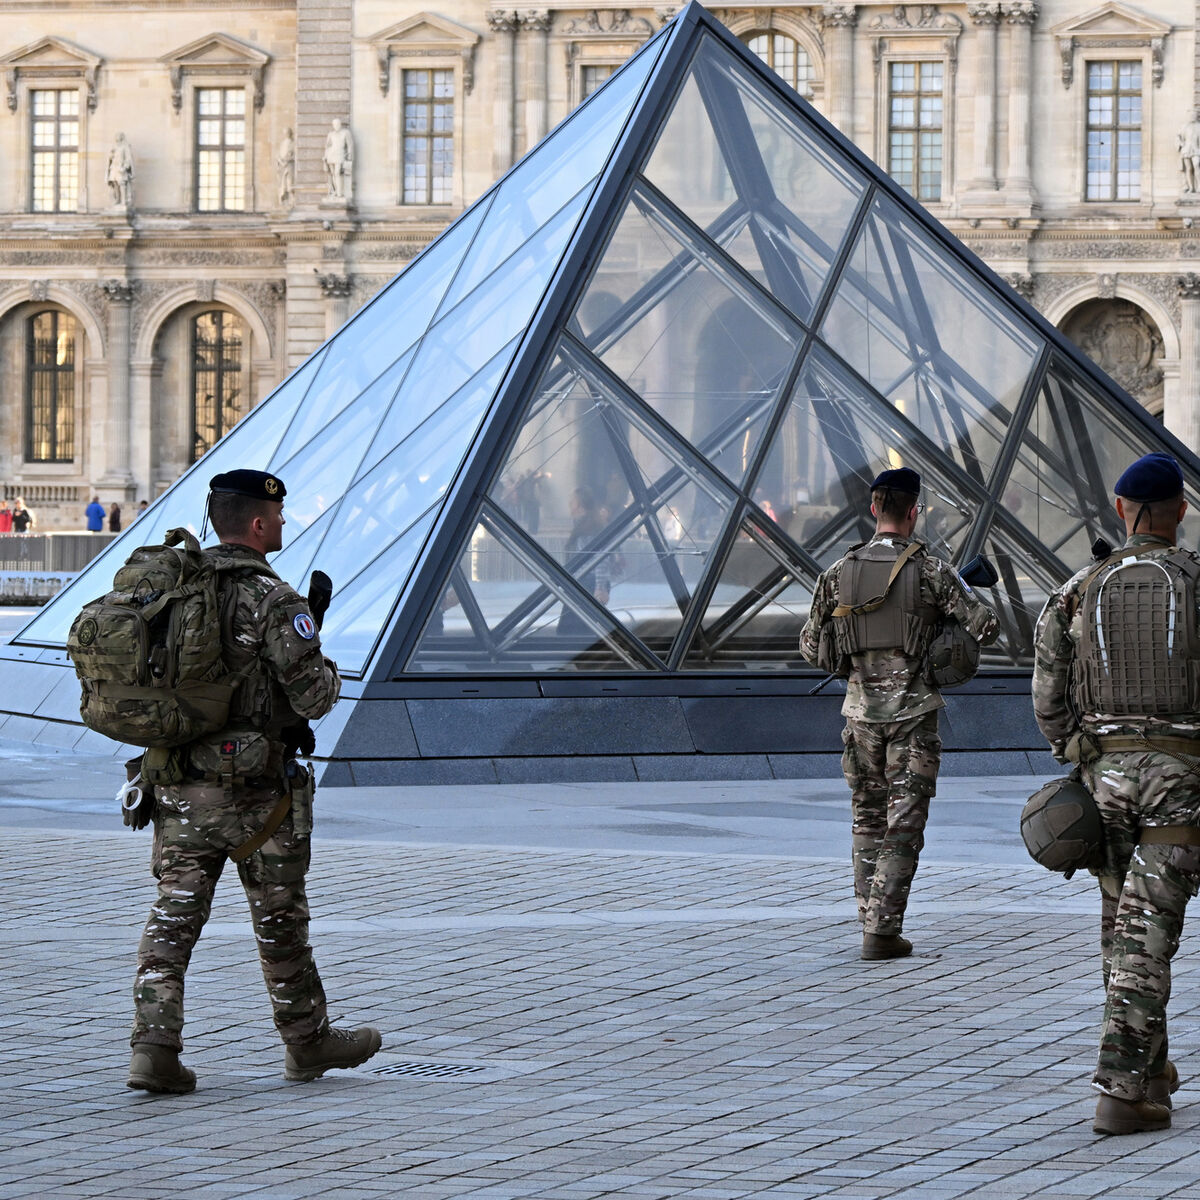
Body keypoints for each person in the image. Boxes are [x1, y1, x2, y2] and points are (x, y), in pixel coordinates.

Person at [127, 468, 381, 1094]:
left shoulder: (174, 590)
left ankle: (153, 1048)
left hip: (180, 783)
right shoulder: (275, 599)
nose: (286, 525)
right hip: (258, 796)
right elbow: (314, 696)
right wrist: (326, 665)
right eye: (281, 516)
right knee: (279, 920)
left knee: (172, 920)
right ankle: (307, 1043)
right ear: (260, 524)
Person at [1032, 452, 1200, 1136]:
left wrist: (1078, 751)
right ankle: (1123, 1093)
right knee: (1146, 937)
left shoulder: (1078, 588)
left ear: (1122, 508)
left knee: (1123, 932)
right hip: (1179, 780)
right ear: (1180, 512)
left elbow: (1048, 696)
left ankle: (1152, 1071)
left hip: (1104, 780)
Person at [800, 467, 999, 960]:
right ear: (914, 512)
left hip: (859, 717)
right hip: (913, 715)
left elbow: (809, 645)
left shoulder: (837, 573)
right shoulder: (931, 571)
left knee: (866, 820)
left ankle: (871, 916)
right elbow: (987, 627)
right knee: (903, 824)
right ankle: (882, 931)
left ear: (874, 508)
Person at [556, 485, 611, 638]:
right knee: (575, 632)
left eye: (572, 501)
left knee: (572, 633)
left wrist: (600, 587)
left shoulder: (590, 527)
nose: (569, 504)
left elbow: (600, 558)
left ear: (580, 504)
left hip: (588, 583)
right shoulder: (583, 524)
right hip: (582, 583)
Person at [323, 118, 354, 200]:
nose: (336, 125)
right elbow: (327, 146)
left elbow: (350, 144)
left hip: (340, 155)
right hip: (331, 155)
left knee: (337, 173)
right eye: (335, 124)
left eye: (338, 124)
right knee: (333, 174)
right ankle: (335, 191)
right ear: (333, 125)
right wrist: (325, 155)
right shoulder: (331, 134)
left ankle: (340, 193)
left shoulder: (345, 133)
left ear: (340, 124)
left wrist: (350, 155)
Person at [106, 132, 134, 208]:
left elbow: (128, 158)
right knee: (115, 183)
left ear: (121, 137)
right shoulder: (114, 147)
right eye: (116, 136)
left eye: (118, 136)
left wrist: (125, 167)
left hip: (121, 167)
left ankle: (123, 201)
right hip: (114, 167)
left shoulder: (125, 147)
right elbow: (110, 158)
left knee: (122, 183)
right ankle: (117, 199)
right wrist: (111, 155)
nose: (117, 138)